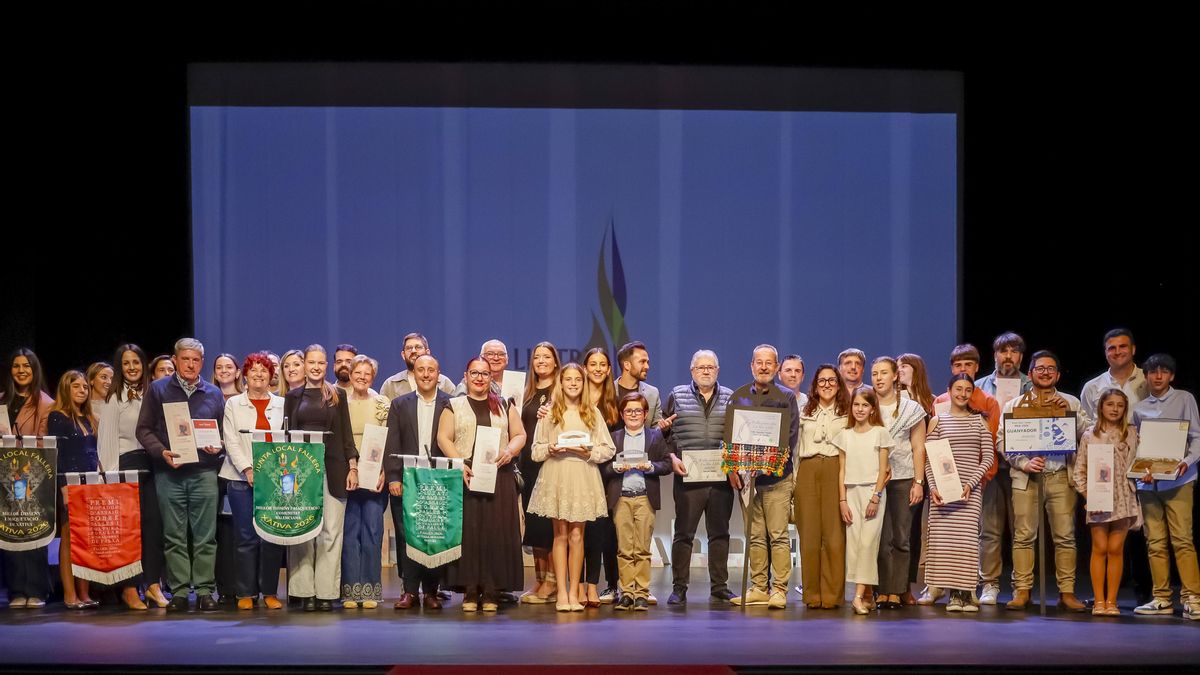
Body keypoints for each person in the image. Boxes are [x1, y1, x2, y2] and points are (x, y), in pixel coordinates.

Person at [135, 338, 226, 612]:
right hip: (169, 473)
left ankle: (205, 591)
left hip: (204, 472)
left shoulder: (213, 393)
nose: (190, 364)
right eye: (185, 359)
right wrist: (161, 452)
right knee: (174, 535)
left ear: (202, 362)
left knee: (205, 536)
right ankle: (178, 592)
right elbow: (144, 430)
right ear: (175, 360)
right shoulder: (158, 389)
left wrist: (217, 446)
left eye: (196, 360)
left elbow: (222, 433)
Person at [1000, 350, 1086, 612]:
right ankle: (1022, 590)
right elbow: (1002, 440)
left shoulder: (1070, 402)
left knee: (1065, 536)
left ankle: (1067, 592)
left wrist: (1070, 416)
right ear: (1031, 373)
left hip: (1060, 475)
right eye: (1040, 368)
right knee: (1024, 535)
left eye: (1051, 368)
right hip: (1027, 477)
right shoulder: (1014, 405)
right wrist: (1023, 462)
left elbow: (1088, 435)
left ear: (1058, 374)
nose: (1046, 372)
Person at [439, 357, 527, 612]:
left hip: (499, 475)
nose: (479, 378)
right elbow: (443, 437)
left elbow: (520, 434)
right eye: (474, 373)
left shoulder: (504, 404)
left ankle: (491, 590)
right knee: (470, 533)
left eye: (485, 374)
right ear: (465, 376)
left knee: (495, 533)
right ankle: (469, 589)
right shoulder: (452, 405)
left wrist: (510, 450)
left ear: (491, 378)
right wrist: (458, 462)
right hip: (467, 474)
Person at [528, 362, 615, 612]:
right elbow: (536, 450)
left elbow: (607, 448)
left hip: (583, 474)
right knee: (560, 535)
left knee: (578, 535)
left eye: (578, 379)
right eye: (569, 379)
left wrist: (587, 451)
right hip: (557, 473)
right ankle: (562, 593)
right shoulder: (550, 412)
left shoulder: (592, 412)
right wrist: (551, 449)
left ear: (583, 382)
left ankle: (575, 590)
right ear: (561, 382)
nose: (574, 383)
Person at [922, 344, 1002, 606]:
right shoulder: (937, 421)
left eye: (968, 390)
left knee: (966, 543)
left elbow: (988, 457)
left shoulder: (979, 420)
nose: (963, 394)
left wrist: (970, 484)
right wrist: (933, 487)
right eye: (958, 389)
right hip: (942, 493)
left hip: (970, 491)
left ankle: (966, 592)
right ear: (949, 391)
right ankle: (947, 594)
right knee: (942, 543)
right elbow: (930, 459)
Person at [283, 344, 359, 612]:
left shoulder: (337, 394)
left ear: (326, 366)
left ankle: (326, 592)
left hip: (333, 469)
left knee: (330, 531)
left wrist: (353, 467)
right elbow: (285, 436)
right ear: (304, 365)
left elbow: (346, 435)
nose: (316, 367)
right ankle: (305, 592)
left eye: (321, 363)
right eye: (311, 362)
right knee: (303, 530)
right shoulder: (292, 396)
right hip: (300, 471)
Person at [662, 349, 735, 605]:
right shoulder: (676, 395)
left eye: (711, 367)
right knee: (684, 534)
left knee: (720, 534)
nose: (706, 371)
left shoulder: (730, 397)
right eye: (701, 367)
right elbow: (664, 434)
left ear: (717, 371)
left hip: (720, 479)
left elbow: (736, 435)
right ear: (692, 371)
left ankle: (719, 586)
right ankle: (679, 587)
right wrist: (672, 458)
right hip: (688, 477)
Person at [729, 345, 799, 609]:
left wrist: (765, 464)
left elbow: (789, 438)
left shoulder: (787, 398)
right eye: (759, 362)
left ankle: (779, 589)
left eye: (769, 363)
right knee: (755, 536)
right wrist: (734, 469)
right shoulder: (738, 397)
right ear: (751, 365)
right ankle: (759, 586)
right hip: (747, 480)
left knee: (778, 535)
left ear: (777, 367)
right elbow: (731, 438)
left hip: (777, 479)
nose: (764, 367)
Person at [99, 344, 169, 609]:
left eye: (136, 362)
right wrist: (110, 476)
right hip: (125, 466)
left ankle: (152, 584)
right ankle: (129, 588)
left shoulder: (154, 393)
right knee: (129, 531)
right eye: (126, 363)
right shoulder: (114, 397)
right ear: (120, 367)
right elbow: (106, 440)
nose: (132, 368)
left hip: (153, 465)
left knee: (154, 527)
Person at [1131, 354, 1200, 620]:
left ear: (1171, 376)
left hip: (1180, 480)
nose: (1158, 376)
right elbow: (1139, 447)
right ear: (1146, 376)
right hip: (1149, 483)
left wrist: (1186, 461)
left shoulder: (1184, 399)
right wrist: (1142, 470)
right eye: (1152, 372)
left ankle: (1192, 597)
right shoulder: (1139, 409)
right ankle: (1161, 597)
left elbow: (1196, 438)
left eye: (1163, 372)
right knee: (1155, 542)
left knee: (1182, 539)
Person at [384, 354, 452, 610]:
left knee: (433, 535)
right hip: (406, 481)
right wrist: (393, 476)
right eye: (421, 369)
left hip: (438, 482)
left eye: (431, 370)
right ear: (414, 373)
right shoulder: (400, 404)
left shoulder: (450, 404)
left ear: (438, 374)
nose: (425, 374)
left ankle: (432, 592)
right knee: (406, 536)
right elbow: (392, 443)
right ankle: (409, 591)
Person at [219, 352, 286, 611]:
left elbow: (285, 439)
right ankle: (245, 592)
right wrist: (248, 469)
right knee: (245, 537)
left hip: (274, 480)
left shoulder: (281, 403)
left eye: (264, 371)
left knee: (270, 537)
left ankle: (269, 591)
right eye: (254, 370)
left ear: (271, 377)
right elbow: (232, 440)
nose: (259, 375)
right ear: (244, 375)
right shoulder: (234, 404)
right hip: (239, 478)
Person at [972, 332, 1031, 605]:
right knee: (990, 529)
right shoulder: (979, 386)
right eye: (1003, 351)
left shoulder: (1031, 386)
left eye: (1014, 351)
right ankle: (990, 584)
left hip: (1023, 466)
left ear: (1021, 356)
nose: (1008, 356)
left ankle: (1021, 586)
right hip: (990, 466)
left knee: (1022, 530)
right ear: (994, 355)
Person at [600, 393, 672, 611]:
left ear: (645, 414)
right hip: (621, 498)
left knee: (641, 549)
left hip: (644, 498)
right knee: (624, 549)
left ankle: (641, 593)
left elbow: (667, 464)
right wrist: (614, 468)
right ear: (622, 414)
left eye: (637, 411)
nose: (633, 415)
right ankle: (626, 593)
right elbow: (603, 468)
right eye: (629, 411)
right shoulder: (614, 437)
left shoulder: (655, 436)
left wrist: (650, 467)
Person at [1073, 388, 1141, 616]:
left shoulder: (1131, 433)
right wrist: (1089, 495)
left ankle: (1112, 601)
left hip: (1123, 497)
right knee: (1100, 548)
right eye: (1110, 404)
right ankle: (1099, 600)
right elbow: (1079, 471)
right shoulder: (1090, 434)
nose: (1114, 409)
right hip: (1099, 498)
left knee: (1115, 549)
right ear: (1101, 406)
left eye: (1119, 405)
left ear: (1125, 409)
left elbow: (1140, 463)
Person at [870, 357, 926, 609]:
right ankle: (882, 589)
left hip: (903, 478)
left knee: (901, 537)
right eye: (874, 374)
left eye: (883, 373)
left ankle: (897, 590)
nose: (878, 378)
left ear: (895, 376)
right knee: (880, 538)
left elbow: (918, 447)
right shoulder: (866, 405)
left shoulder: (911, 408)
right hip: (873, 479)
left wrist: (918, 481)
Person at [794, 364, 850, 609]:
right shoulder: (805, 411)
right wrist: (795, 479)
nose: (827, 385)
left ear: (838, 384)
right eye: (822, 381)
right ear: (815, 386)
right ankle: (812, 594)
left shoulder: (848, 413)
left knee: (834, 536)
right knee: (809, 536)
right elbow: (795, 448)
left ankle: (832, 595)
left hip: (835, 469)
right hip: (807, 469)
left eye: (831, 380)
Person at [835, 386, 893, 615]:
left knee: (869, 543)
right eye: (856, 404)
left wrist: (876, 497)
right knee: (856, 545)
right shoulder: (845, 435)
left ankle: (857, 597)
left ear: (872, 409)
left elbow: (883, 470)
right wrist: (842, 500)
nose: (860, 409)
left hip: (872, 493)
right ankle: (867, 595)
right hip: (851, 493)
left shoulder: (880, 433)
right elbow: (842, 471)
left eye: (865, 405)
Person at [1, 349, 52, 609]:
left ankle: (36, 590)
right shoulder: (1, 401)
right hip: (4, 476)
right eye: (16, 366)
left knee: (33, 533)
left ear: (35, 370)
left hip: (32, 476)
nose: (21, 371)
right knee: (9, 534)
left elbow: (43, 442)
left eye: (27, 366)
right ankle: (17, 591)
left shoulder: (44, 402)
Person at [341, 355, 390, 609]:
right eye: (357, 372)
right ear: (350, 374)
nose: (361, 377)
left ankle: (370, 588)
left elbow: (388, 441)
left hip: (374, 477)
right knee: (349, 532)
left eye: (367, 373)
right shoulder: (339, 402)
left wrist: (384, 472)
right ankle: (350, 590)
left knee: (372, 531)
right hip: (347, 475)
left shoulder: (382, 403)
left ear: (373, 377)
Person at [47, 371, 100, 609]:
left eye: (85, 387)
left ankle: (84, 593)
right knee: (69, 539)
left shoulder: (88, 418)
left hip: (90, 483)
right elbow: (57, 455)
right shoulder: (57, 417)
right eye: (76, 387)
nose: (82, 391)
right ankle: (70, 595)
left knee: (87, 541)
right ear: (66, 390)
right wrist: (63, 487)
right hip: (69, 483)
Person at [518, 342, 560, 604]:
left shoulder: (561, 391)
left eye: (546, 357)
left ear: (556, 361)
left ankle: (553, 583)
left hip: (551, 464)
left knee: (549, 526)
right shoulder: (527, 392)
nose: (541, 361)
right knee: (534, 526)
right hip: (529, 466)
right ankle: (540, 579)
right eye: (537, 357)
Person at [581, 347, 620, 605]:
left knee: (601, 532)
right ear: (584, 368)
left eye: (602, 364)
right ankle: (578, 586)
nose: (597, 368)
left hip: (606, 475)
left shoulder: (614, 403)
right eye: (592, 364)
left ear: (608, 370)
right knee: (576, 531)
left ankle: (601, 585)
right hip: (577, 471)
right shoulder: (572, 398)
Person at [1081, 328, 1148, 427]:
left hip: (1144, 441)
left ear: (1133, 349)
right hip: (1104, 442)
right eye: (1112, 348)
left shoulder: (1148, 381)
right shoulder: (1091, 387)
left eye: (1122, 346)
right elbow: (1087, 426)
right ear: (1105, 352)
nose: (1117, 352)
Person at [378, 333, 456, 399]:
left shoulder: (445, 383)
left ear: (427, 352)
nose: (413, 351)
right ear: (403, 355)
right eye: (409, 348)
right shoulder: (390, 385)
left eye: (418, 347)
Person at [615, 341, 667, 428]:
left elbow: (656, 428)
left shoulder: (652, 393)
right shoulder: (607, 390)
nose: (647, 367)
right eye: (642, 362)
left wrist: (664, 429)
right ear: (627, 365)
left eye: (647, 362)